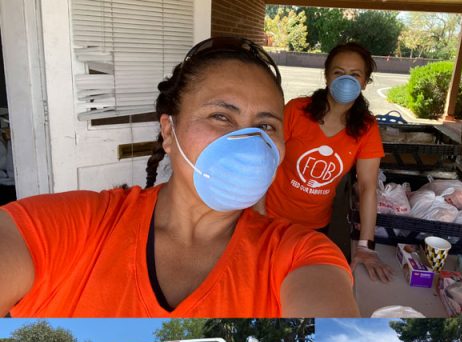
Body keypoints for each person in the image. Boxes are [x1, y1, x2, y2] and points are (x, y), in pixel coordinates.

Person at [0, 37, 358, 317]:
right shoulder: (74, 228)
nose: (248, 144)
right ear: (168, 131)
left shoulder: (300, 253)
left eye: (266, 126)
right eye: (220, 116)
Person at [263, 41, 394, 283]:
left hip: (315, 226)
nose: (347, 80)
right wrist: (257, 216)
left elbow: (367, 187)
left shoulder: (366, 128)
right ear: (326, 76)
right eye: (338, 72)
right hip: (271, 218)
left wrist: (366, 246)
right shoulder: (296, 110)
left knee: (299, 283)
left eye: (355, 74)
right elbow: (266, 162)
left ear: (365, 82)